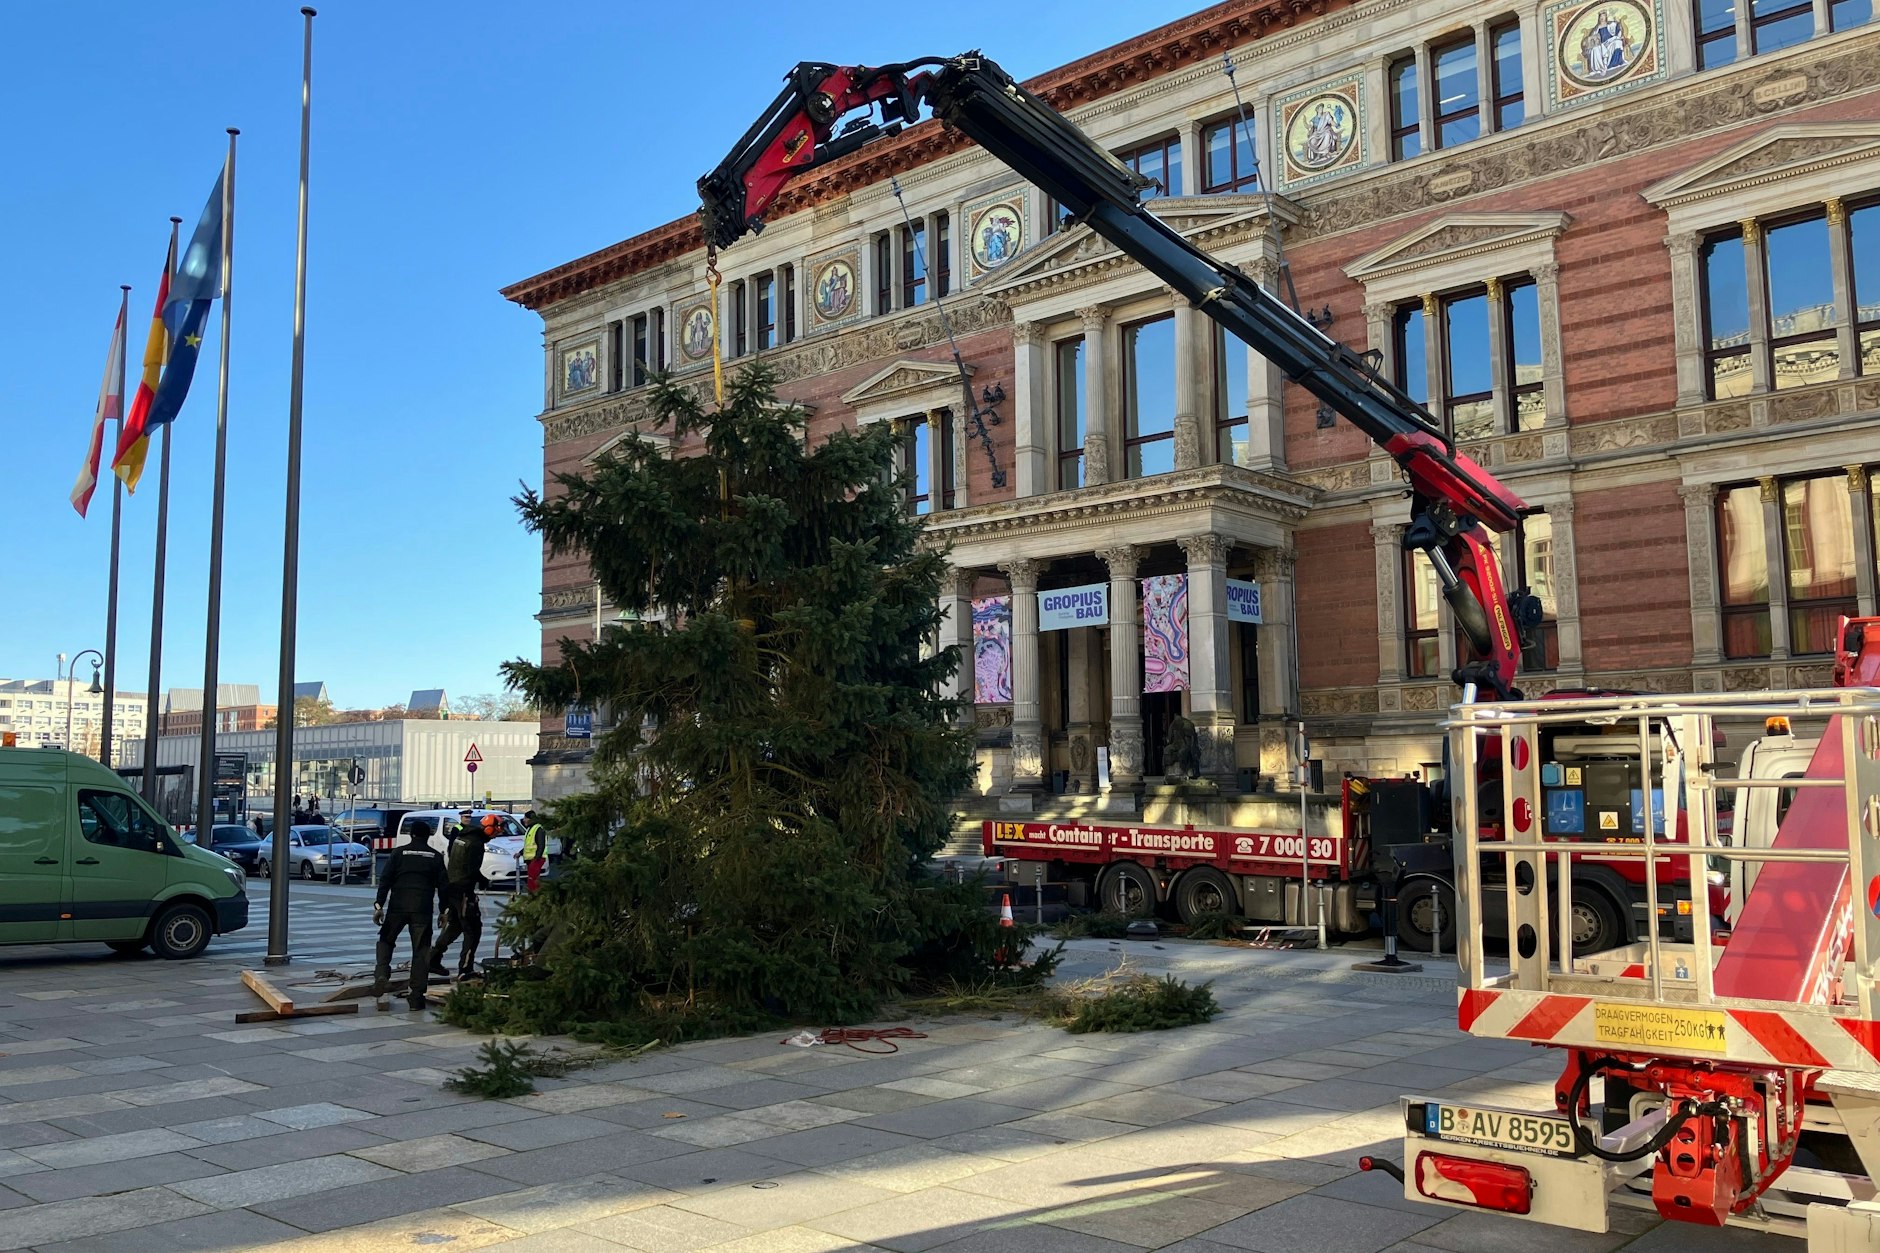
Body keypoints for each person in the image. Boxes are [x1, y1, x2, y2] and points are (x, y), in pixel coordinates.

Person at [372, 825, 446, 1009]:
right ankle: (416, 997)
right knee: (421, 951)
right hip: (422, 908)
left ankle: (382, 973)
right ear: (428, 836)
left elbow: (386, 879)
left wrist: (379, 905)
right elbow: (444, 886)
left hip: (398, 906)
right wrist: (444, 911)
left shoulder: (398, 853)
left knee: (386, 939)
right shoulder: (435, 856)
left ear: (411, 835)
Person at [432, 813, 493, 979]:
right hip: (464, 890)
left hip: (453, 888)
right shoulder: (476, 843)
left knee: (456, 926)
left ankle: (432, 958)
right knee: (473, 930)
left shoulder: (463, 836)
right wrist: (483, 880)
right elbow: (472, 869)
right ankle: (465, 969)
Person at [521, 810, 548, 893]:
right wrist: (520, 853)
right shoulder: (530, 829)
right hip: (532, 859)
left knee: (533, 878)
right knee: (532, 878)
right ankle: (533, 895)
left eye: (525, 818)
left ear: (530, 819)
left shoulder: (538, 829)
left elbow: (541, 845)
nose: (524, 820)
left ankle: (534, 895)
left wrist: (537, 858)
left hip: (536, 859)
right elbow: (528, 845)